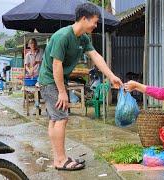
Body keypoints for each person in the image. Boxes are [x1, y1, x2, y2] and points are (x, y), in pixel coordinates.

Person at [37, 3, 122, 171]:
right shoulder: (63, 36)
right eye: (95, 22)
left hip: (56, 80)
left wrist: (111, 76)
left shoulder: (83, 38)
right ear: (84, 18)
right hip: (50, 80)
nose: (96, 26)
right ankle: (61, 160)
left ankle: (58, 158)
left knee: (55, 118)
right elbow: (56, 65)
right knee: (61, 118)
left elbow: (96, 56)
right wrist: (62, 92)